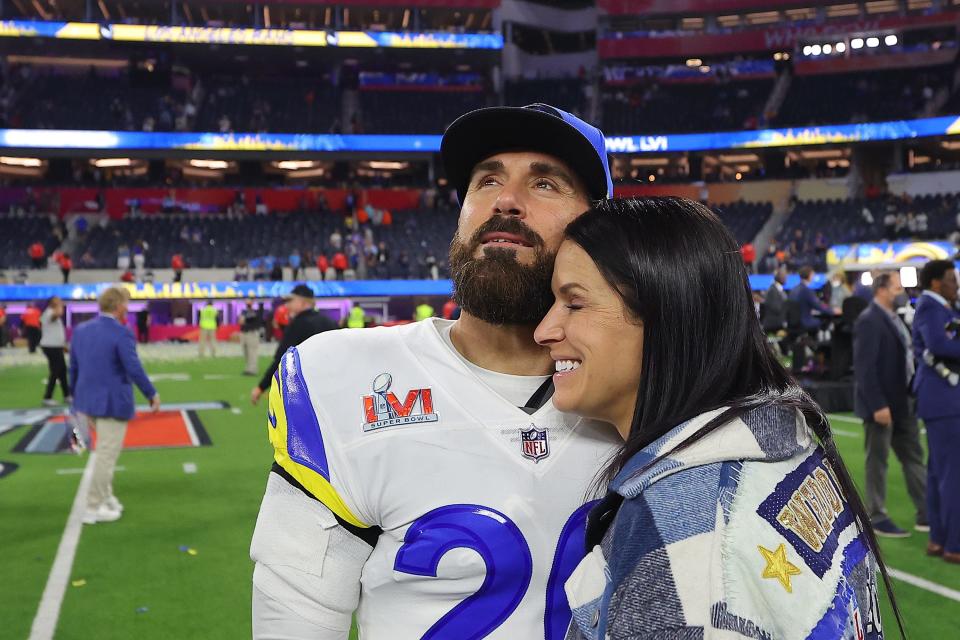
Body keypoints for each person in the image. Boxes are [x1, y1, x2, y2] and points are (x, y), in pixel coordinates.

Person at [250, 103, 619, 639]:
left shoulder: (654, 387)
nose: (507, 201)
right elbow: (296, 617)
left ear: (597, 226)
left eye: (545, 184)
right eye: (487, 180)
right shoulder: (340, 377)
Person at [535, 197, 898, 639]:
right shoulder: (781, 439)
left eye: (574, 303)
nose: (544, 331)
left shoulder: (689, 535)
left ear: (668, 311)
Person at [70, 287, 160, 524]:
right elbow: (133, 368)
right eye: (126, 304)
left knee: (102, 454)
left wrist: (74, 396)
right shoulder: (121, 333)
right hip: (111, 403)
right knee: (106, 456)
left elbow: (74, 368)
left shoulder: (80, 330)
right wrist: (151, 393)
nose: (128, 308)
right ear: (119, 305)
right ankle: (92, 506)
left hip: (85, 401)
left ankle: (106, 496)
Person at [854, 272, 928, 537]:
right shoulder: (869, 321)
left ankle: (927, 512)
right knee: (878, 460)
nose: (902, 292)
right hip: (882, 405)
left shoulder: (896, 319)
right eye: (897, 288)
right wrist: (877, 404)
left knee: (914, 457)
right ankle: (876, 514)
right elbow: (865, 368)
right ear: (882, 290)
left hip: (903, 402)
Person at [912, 259, 960, 563]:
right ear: (935, 283)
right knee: (952, 474)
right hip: (946, 400)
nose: (956, 284)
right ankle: (954, 544)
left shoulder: (939, 307)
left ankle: (939, 540)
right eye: (952, 279)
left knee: (938, 473)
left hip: (941, 399)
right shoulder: (932, 307)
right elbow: (939, 344)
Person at [250, 284, 337, 406]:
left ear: (303, 303)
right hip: (330, 388)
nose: (287, 305)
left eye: (291, 301)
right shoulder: (330, 322)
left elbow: (282, 360)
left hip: (306, 391)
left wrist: (261, 387)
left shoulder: (298, 324)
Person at [40, 297, 70, 406]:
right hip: (50, 346)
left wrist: (63, 345)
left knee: (62, 370)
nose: (61, 303)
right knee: (56, 370)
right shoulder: (49, 313)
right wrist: (58, 307)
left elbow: (57, 332)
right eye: (58, 302)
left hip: (56, 346)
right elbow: (55, 315)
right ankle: (47, 397)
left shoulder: (51, 312)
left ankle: (67, 395)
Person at [240, 300, 262, 376]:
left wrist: (244, 319)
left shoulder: (255, 312)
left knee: (252, 352)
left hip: (252, 333)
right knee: (246, 352)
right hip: (245, 333)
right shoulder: (245, 312)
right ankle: (248, 368)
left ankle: (253, 369)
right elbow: (240, 321)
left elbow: (244, 320)